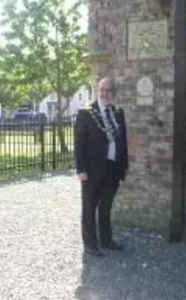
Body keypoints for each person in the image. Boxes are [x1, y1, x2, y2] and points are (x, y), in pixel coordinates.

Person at [74, 77, 128, 257]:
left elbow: (123, 141)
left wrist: (123, 167)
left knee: (106, 207)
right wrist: (80, 170)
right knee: (89, 208)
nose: (105, 93)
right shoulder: (86, 113)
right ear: (97, 90)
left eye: (109, 90)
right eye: (102, 89)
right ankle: (90, 244)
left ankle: (106, 240)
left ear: (113, 93)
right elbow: (79, 144)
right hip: (92, 170)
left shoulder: (118, 112)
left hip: (112, 169)